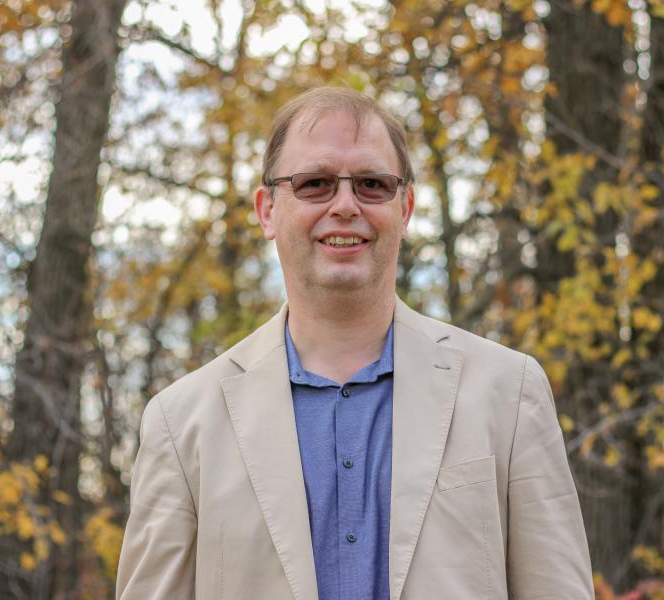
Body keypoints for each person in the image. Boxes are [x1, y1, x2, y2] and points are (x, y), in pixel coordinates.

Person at [116, 87, 594, 600]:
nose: (345, 205)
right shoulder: (180, 422)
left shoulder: (508, 392)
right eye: (315, 184)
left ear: (405, 206)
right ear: (267, 210)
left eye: (371, 184)